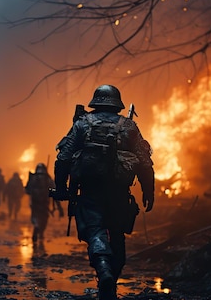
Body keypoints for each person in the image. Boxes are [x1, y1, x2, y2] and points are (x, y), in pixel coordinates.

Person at [51, 84, 155, 300]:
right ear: (117, 103)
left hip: (90, 190)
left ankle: (104, 271)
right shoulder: (129, 126)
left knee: (95, 231)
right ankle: (110, 282)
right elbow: (145, 162)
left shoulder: (82, 124)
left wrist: (61, 188)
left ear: (95, 101)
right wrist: (148, 191)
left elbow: (63, 159)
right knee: (116, 234)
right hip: (119, 191)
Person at [25, 163, 64, 243]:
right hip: (44, 203)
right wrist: (60, 208)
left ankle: (36, 226)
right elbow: (55, 193)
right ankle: (41, 232)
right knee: (44, 219)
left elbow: (27, 191)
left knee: (35, 217)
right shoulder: (48, 179)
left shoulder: (33, 178)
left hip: (35, 203)